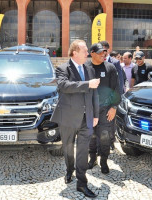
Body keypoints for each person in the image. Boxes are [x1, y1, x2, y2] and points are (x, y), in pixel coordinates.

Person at [51, 40, 100, 198]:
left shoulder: (89, 69)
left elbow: (95, 94)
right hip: (68, 118)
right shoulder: (62, 68)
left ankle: (82, 182)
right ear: (75, 53)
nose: (88, 53)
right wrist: (87, 84)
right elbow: (64, 86)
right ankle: (69, 169)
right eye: (85, 50)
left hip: (87, 118)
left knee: (82, 150)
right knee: (68, 148)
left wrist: (96, 115)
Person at [85, 43, 121, 174]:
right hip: (89, 109)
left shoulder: (110, 68)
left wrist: (114, 107)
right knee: (91, 135)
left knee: (105, 136)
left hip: (105, 109)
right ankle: (92, 158)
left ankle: (104, 161)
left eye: (104, 52)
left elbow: (116, 89)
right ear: (92, 53)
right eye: (100, 52)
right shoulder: (85, 67)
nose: (103, 54)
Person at [99, 41, 125, 150]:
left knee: (111, 120)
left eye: (104, 49)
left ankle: (111, 141)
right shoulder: (98, 60)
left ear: (108, 49)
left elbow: (120, 81)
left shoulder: (115, 62)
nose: (102, 51)